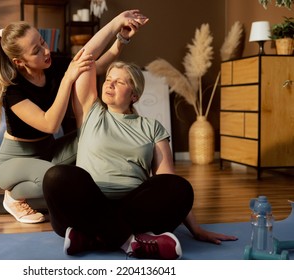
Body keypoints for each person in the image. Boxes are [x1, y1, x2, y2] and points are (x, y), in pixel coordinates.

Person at [42, 50, 238, 259]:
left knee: (180, 188)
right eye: (108, 79)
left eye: (120, 82)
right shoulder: (91, 112)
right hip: (88, 203)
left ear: (134, 95)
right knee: (56, 176)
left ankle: (90, 236)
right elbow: (85, 57)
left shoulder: (152, 128)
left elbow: (167, 179)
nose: (110, 84)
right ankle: (130, 241)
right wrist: (118, 35)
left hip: (133, 207)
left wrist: (196, 230)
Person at [0, 11, 148, 224]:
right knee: (57, 178)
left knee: (89, 138)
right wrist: (68, 77)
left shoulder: (51, 64)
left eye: (42, 42)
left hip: (47, 150)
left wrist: (119, 37)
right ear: (19, 62)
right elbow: (50, 124)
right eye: (36, 51)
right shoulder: (12, 91)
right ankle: (13, 196)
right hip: (15, 162)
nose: (46, 51)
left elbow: (89, 62)